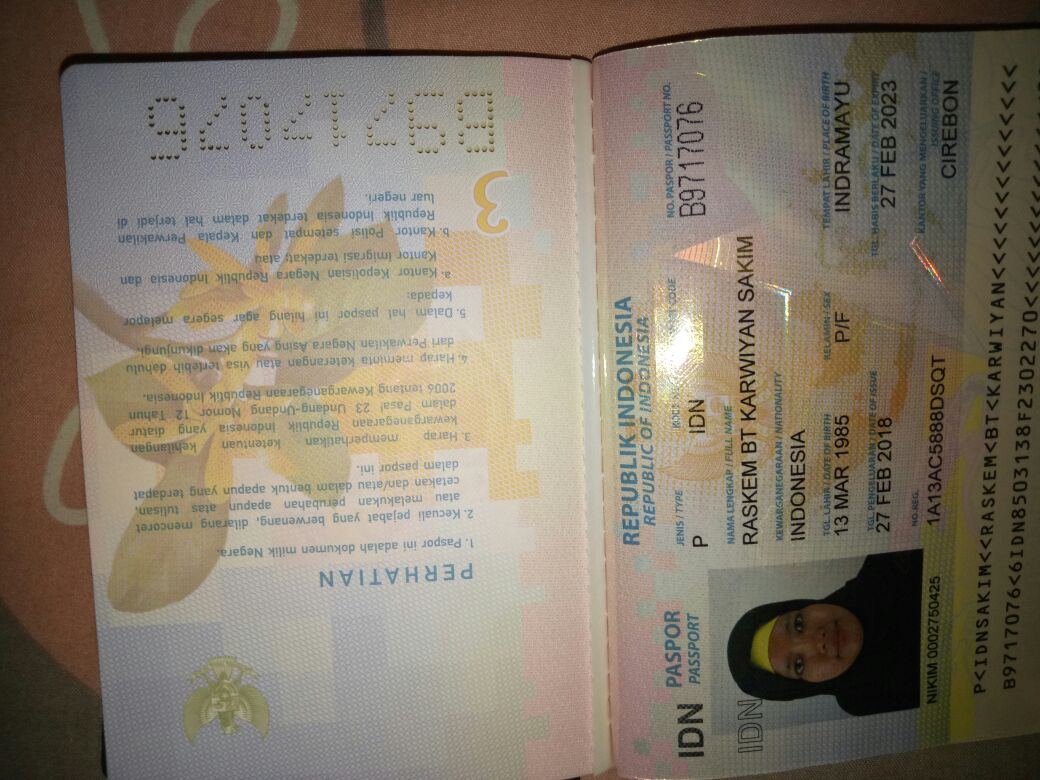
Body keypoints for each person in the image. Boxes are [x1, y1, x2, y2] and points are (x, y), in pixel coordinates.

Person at [726, 548, 923, 716]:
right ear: (807, 686)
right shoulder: (862, 698)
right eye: (799, 665)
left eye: (799, 625)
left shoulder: (894, 558)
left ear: (803, 606)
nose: (816, 642)